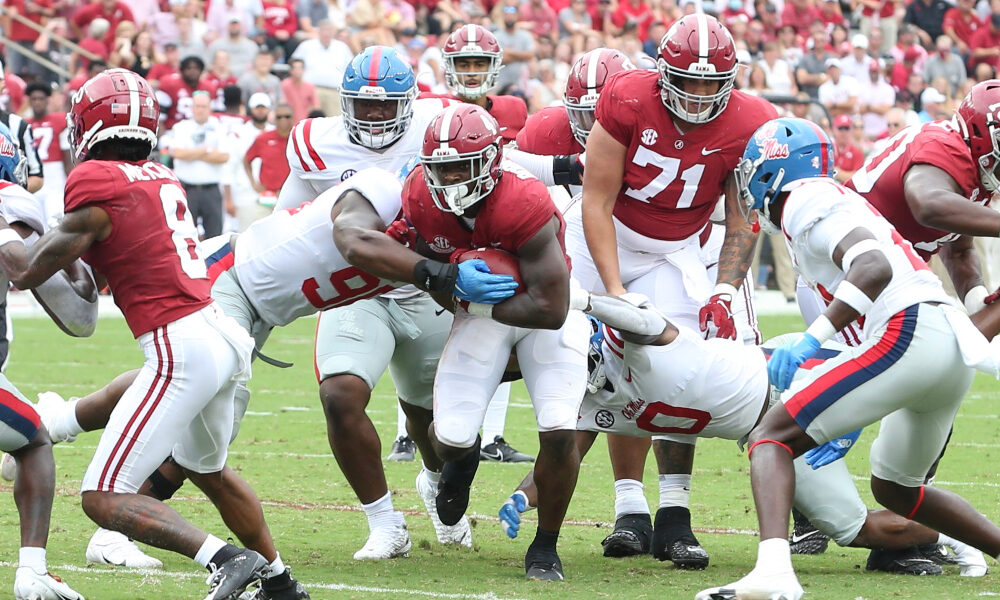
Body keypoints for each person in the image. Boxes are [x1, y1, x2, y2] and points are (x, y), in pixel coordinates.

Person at [696, 115, 1000, 600]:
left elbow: (872, 266)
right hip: (949, 347)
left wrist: (812, 341)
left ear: (773, 169)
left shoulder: (804, 198)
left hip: (910, 332)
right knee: (898, 491)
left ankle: (773, 573)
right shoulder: (833, 200)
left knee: (770, 435)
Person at [0, 68, 276, 600]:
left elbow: (28, 272)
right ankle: (282, 581)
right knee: (209, 471)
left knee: (102, 496)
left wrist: (25, 230)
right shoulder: (161, 176)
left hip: (179, 345)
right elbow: (93, 283)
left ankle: (226, 559)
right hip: (223, 335)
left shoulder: (93, 179)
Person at [495, 292, 989, 578]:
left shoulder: (628, 341)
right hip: (768, 435)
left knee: (910, 408)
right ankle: (951, 535)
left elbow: (640, 319)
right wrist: (524, 496)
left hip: (791, 378)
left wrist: (582, 299)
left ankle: (952, 337)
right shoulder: (583, 401)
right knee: (858, 529)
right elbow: (561, 459)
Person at [340, 103, 588, 581]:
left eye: (462, 166)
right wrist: (448, 280)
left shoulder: (524, 200)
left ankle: (545, 546)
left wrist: (469, 300)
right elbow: (407, 262)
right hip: (479, 313)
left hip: (546, 316)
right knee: (451, 436)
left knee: (558, 428)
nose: (451, 178)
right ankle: (463, 462)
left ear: (492, 161)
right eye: (441, 168)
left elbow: (551, 309)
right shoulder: (419, 193)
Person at [276, 46, 488, 560]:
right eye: (363, 106)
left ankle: (436, 485)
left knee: (435, 421)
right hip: (356, 290)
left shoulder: (441, 124)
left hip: (430, 290)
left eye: (385, 106)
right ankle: (383, 522)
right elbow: (285, 220)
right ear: (345, 103)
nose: (373, 116)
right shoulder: (315, 142)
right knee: (340, 397)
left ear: (410, 103)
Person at [579, 13, 776, 567]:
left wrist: (723, 290)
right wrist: (614, 290)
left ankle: (673, 515)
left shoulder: (750, 120)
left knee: (676, 369)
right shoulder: (628, 96)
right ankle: (621, 509)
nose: (696, 95)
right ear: (662, 72)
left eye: (710, 84)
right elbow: (595, 200)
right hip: (605, 237)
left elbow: (742, 221)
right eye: (686, 81)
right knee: (578, 373)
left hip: (677, 249)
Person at [0, 122, 96, 600]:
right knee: (35, 439)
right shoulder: (10, 202)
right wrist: (70, 244)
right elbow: (77, 316)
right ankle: (32, 570)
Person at [507, 48, 634, 200]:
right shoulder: (550, 128)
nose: (596, 128)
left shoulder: (653, 130)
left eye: (606, 115)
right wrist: (563, 167)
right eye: (587, 116)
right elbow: (499, 162)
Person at [164, 91, 230, 238]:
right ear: (192, 107)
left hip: (211, 190)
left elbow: (224, 157)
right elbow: (177, 153)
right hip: (187, 189)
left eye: (204, 106)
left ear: (210, 108)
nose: (200, 110)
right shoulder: (181, 127)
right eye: (197, 106)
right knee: (184, 235)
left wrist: (192, 154)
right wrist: (206, 151)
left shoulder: (219, 127)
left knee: (215, 236)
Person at [24, 82, 71, 224]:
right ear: (29, 101)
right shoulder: (23, 123)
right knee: (35, 224)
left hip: (55, 177)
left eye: (41, 99)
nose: (37, 102)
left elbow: (67, 157)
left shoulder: (61, 120)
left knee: (55, 221)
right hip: (33, 175)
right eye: (34, 99)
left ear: (47, 100)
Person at [244, 102, 293, 211]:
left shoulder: (299, 138)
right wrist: (253, 183)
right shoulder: (264, 138)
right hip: (268, 196)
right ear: (274, 118)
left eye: (287, 116)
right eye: (279, 117)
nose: (283, 120)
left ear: (293, 117)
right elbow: (246, 160)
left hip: (291, 196)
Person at [156, 55, 220, 131]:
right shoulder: (169, 84)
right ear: (181, 71)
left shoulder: (209, 87)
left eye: (196, 68)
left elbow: (214, 115)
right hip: (173, 130)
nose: (192, 71)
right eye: (188, 68)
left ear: (202, 71)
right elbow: (159, 117)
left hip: (201, 129)